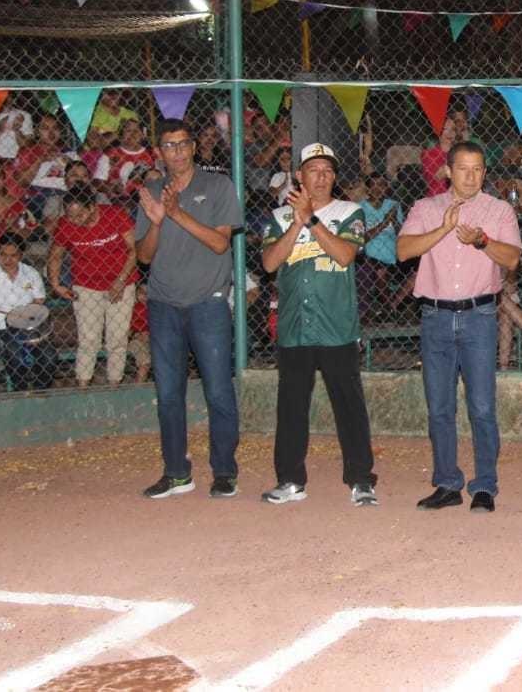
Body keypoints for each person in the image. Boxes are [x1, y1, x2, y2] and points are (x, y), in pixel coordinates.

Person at [398, 141, 522, 514]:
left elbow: (513, 259)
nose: (471, 176)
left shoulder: (499, 210)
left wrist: (482, 240)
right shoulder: (426, 208)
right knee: (439, 406)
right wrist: (443, 229)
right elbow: (403, 251)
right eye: (464, 168)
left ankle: (484, 485)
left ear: (485, 172)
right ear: (448, 171)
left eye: (479, 169)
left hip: (479, 316)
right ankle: (447, 482)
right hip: (435, 315)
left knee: (482, 405)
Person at [260, 143, 378, 507]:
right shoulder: (279, 216)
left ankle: (361, 480)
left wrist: (311, 218)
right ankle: (290, 480)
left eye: (328, 169)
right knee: (292, 406)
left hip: (336, 326)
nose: (321, 176)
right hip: (295, 326)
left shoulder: (349, 211)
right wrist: (296, 222)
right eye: (313, 169)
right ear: (300, 175)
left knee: (349, 405)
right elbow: (268, 263)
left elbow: (345, 255)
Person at [134, 119, 244, 500]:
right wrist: (157, 223)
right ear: (159, 152)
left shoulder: (218, 186)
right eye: (169, 145)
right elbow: (144, 257)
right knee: (168, 394)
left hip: (207, 303)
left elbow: (219, 244)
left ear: (194, 147)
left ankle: (225, 470)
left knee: (217, 390)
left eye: (183, 144)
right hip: (164, 304)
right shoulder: (150, 191)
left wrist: (178, 214)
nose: (177, 152)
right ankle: (177, 472)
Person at [47, 186, 138, 387]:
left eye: (80, 214)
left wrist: (121, 280)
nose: (75, 220)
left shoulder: (115, 215)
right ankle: (83, 385)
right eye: (71, 216)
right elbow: (55, 255)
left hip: (122, 282)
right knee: (88, 339)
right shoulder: (65, 225)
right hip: (86, 285)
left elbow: (134, 250)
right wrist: (55, 284)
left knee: (117, 338)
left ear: (93, 207)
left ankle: (115, 383)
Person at [0, 235, 53, 391]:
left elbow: (39, 300)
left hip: (26, 328)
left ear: (21, 255)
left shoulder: (30, 273)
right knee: (12, 346)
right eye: (3, 254)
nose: (7, 260)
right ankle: (21, 390)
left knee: (49, 355)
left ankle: (40, 390)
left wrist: (25, 314)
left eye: (13, 255)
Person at [358, 173, 401, 321]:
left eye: (382, 184)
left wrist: (394, 221)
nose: (378, 188)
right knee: (379, 271)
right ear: (368, 188)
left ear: (387, 187)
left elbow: (401, 234)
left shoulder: (393, 205)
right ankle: (390, 309)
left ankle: (388, 308)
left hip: (392, 257)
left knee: (382, 271)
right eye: (374, 185)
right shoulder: (360, 207)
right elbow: (362, 238)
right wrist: (384, 223)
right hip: (370, 256)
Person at [420, 108, 470, 196]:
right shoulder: (429, 154)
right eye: (446, 129)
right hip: (437, 197)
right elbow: (439, 175)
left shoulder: (458, 151)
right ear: (438, 131)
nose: (450, 133)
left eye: (453, 129)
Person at [106, 116, 158, 201]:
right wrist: (113, 188)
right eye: (128, 131)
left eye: (136, 131)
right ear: (122, 134)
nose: (132, 134)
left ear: (142, 135)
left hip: (147, 197)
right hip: (119, 200)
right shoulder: (111, 153)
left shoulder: (151, 153)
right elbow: (99, 182)